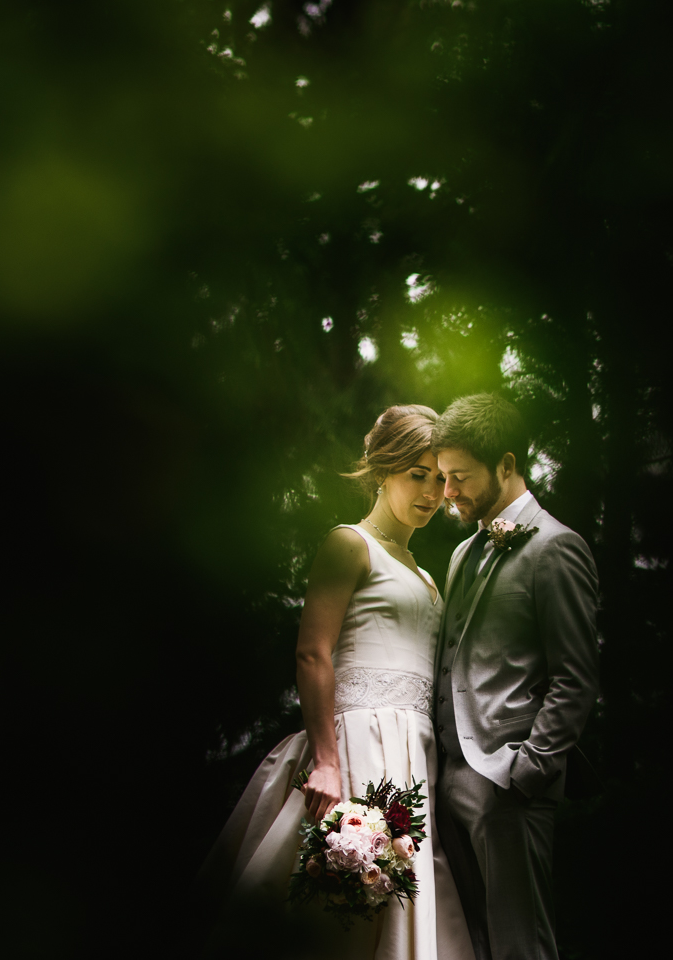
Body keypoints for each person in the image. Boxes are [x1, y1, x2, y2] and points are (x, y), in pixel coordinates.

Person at [200, 405, 476, 959]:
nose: (430, 492)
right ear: (382, 469)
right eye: (415, 474)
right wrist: (326, 760)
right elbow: (312, 652)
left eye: (438, 478)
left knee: (404, 899)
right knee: (336, 908)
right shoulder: (350, 544)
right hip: (358, 745)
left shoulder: (425, 573)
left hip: (414, 753)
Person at [431, 395, 600, 960]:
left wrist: (525, 772)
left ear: (505, 465)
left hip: (508, 786)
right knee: (473, 947)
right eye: (442, 476)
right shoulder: (460, 554)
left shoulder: (555, 548)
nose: (447, 491)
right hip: (449, 782)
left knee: (520, 947)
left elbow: (575, 679)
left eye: (459, 477)